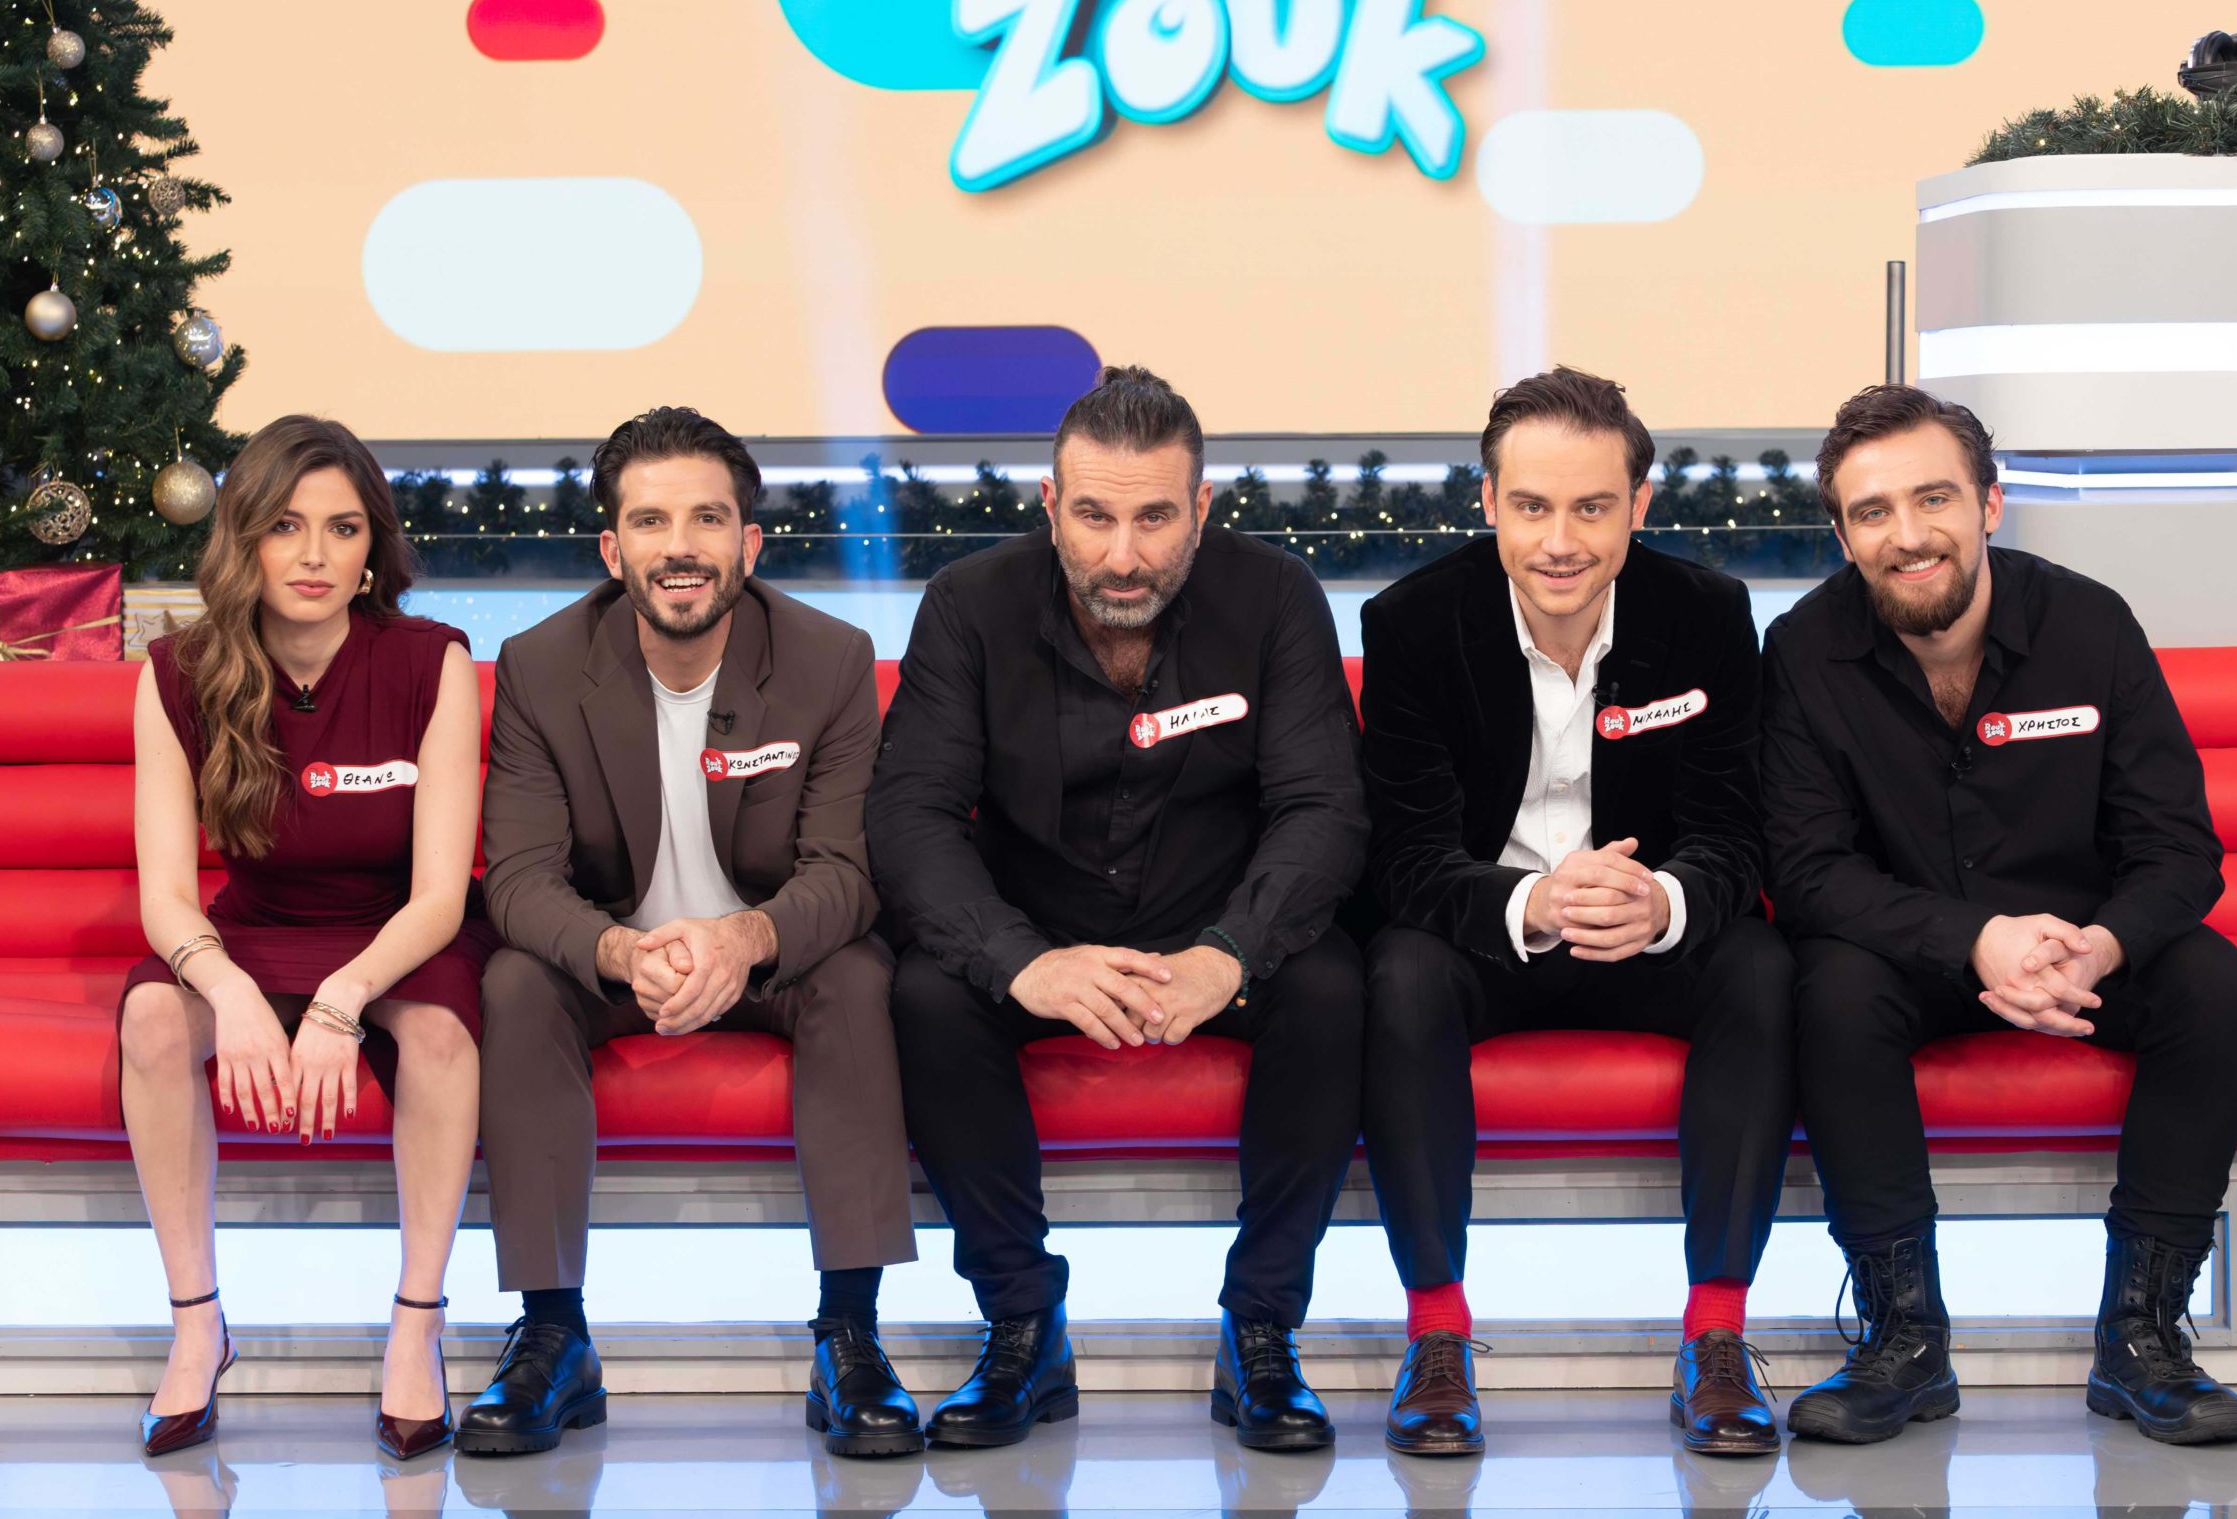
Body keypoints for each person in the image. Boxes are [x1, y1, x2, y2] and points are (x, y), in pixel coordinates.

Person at [869, 365, 1368, 1452]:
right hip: (1036, 940)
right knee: (926, 993)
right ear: (1051, 505)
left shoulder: (1276, 597)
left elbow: (1324, 807)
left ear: (1201, 507)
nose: (1124, 556)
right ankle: (1021, 1325)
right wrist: (1021, 961)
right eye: (1094, 517)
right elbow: (909, 816)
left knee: (1332, 985)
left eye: (1154, 519)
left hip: (1219, 932)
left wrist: (1227, 954)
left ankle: (1261, 1328)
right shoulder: (968, 604)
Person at [1764, 384, 2237, 1447]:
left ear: (1989, 503)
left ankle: (2141, 1338)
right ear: (1843, 535)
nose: (1907, 535)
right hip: (1910, 954)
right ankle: (1904, 1339)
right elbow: (1807, 872)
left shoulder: (2090, 624)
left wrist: (2101, 947)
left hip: (2083, 951)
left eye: (1933, 497)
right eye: (1871, 511)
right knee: (1829, 988)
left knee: (2214, 983)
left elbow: (2179, 847)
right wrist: (1973, 939)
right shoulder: (1803, 650)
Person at [459, 407, 919, 1457]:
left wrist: (743, 941)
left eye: (708, 519)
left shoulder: (829, 659)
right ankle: (552, 1334)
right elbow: (519, 878)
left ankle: (850, 1334)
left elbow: (848, 872)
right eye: (651, 521)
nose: (681, 547)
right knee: (515, 983)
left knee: (859, 975)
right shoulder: (540, 666)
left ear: (749, 544)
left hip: (770, 956)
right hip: (613, 961)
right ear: (611, 549)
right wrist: (623, 952)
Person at [1357, 366, 1794, 1459]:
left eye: (1592, 508)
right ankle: (1436, 1335)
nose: (1560, 542)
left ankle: (1716, 1335)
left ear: (1639, 505)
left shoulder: (1706, 615)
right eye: (1532, 507)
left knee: (1759, 966)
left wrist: (1664, 900)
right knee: (1397, 972)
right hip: (1487, 931)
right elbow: (1404, 858)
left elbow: (1736, 831)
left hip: (1645, 931)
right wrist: (1533, 900)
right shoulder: (1412, 624)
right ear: (1488, 502)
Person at [121, 415, 492, 1461]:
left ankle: (416, 1327)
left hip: (398, 937)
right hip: (256, 930)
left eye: (343, 527)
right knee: (153, 1019)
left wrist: (341, 1001)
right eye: (286, 526)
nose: (315, 555)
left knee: (440, 1038)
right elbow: (166, 895)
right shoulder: (179, 671)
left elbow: (440, 898)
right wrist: (232, 993)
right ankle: (198, 1325)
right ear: (244, 536)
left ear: (374, 544)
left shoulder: (430, 661)